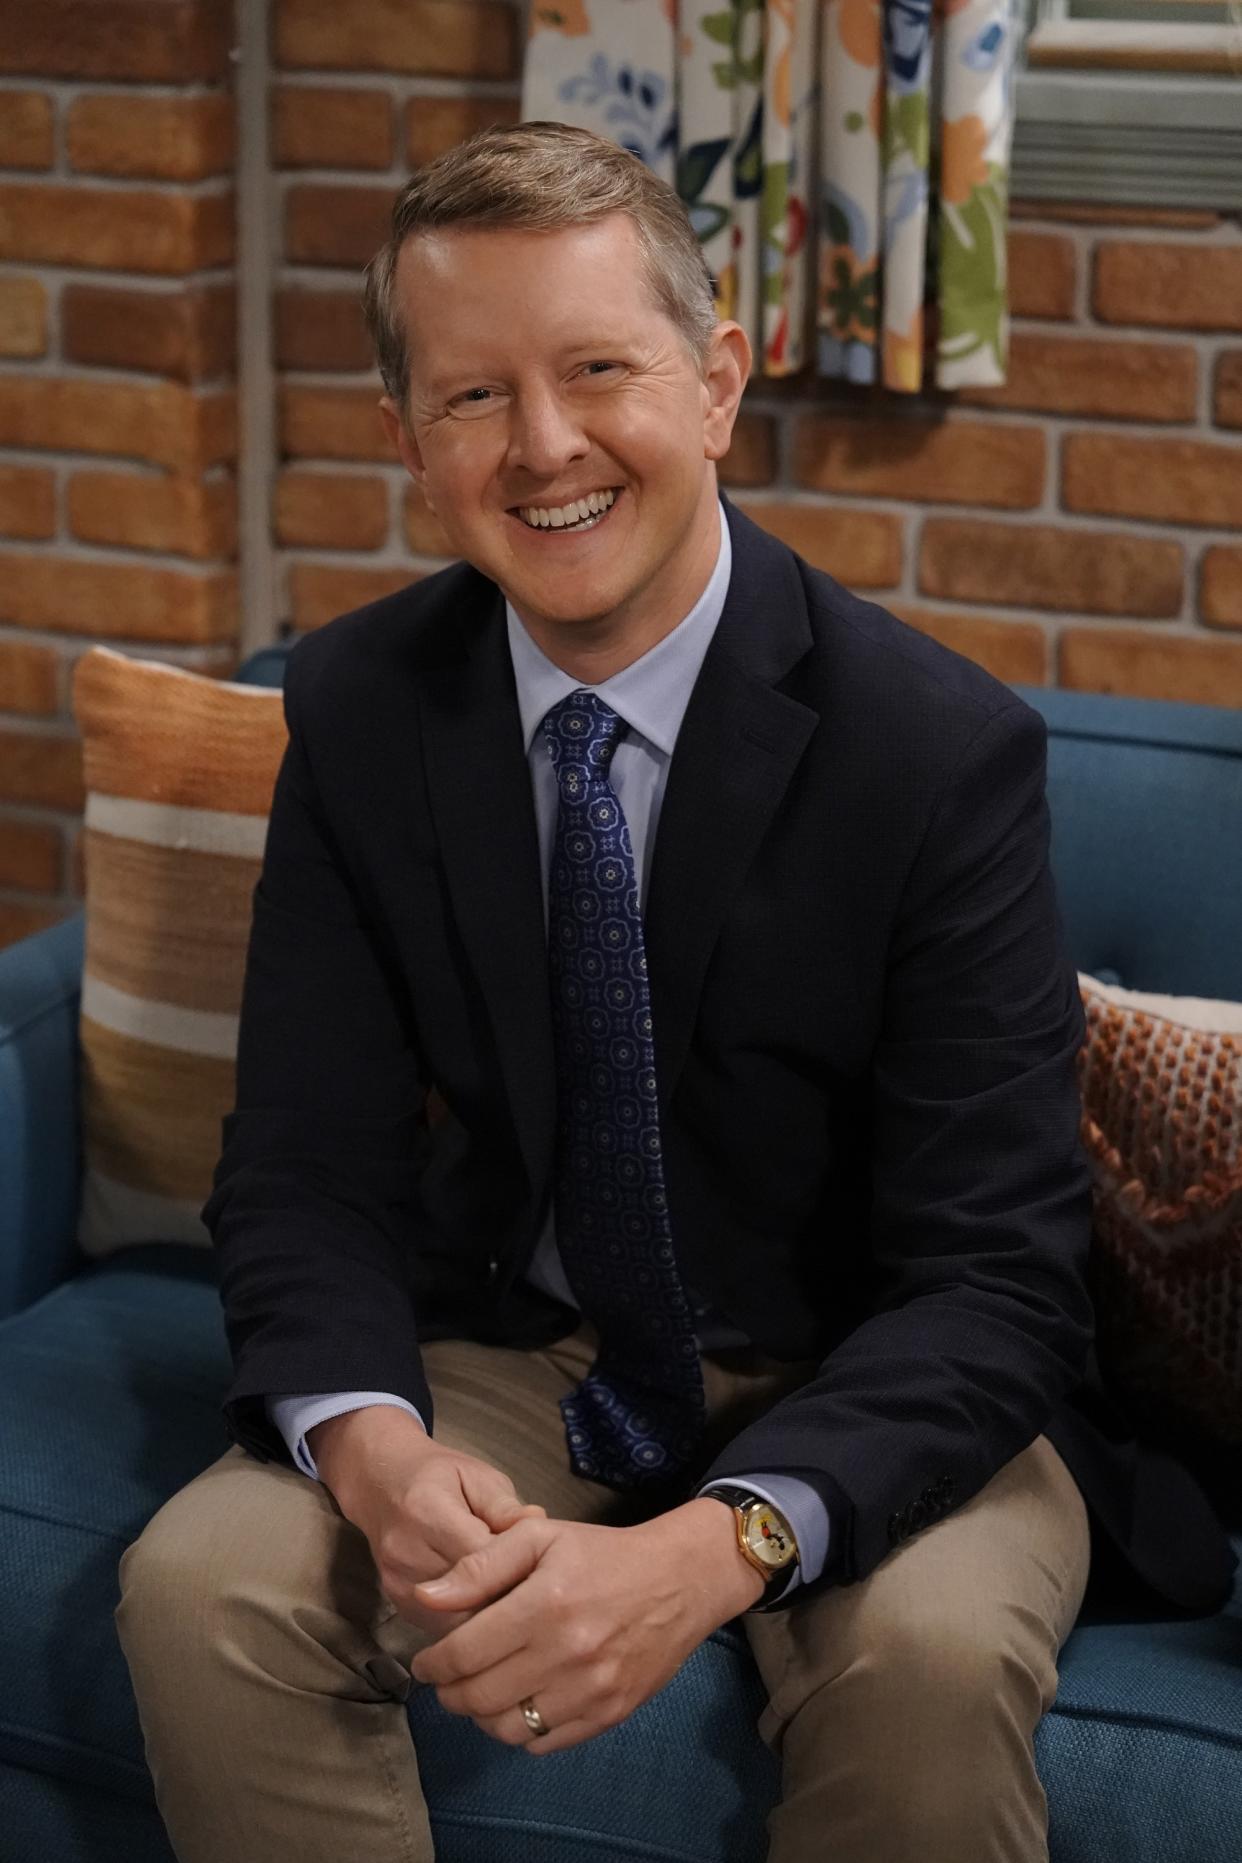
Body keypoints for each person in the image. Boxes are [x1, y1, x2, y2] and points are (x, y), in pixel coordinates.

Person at [114, 122, 1235, 1863]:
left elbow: (996, 1283)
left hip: (873, 1365)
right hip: (520, 1344)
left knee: (929, 1668)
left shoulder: (934, 755)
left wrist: (711, 1550)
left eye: (595, 370)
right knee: (203, 1589)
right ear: (408, 446)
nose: (543, 445)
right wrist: (375, 1453)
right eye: (473, 398)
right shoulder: (358, 708)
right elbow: (305, 1168)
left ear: (713, 384)